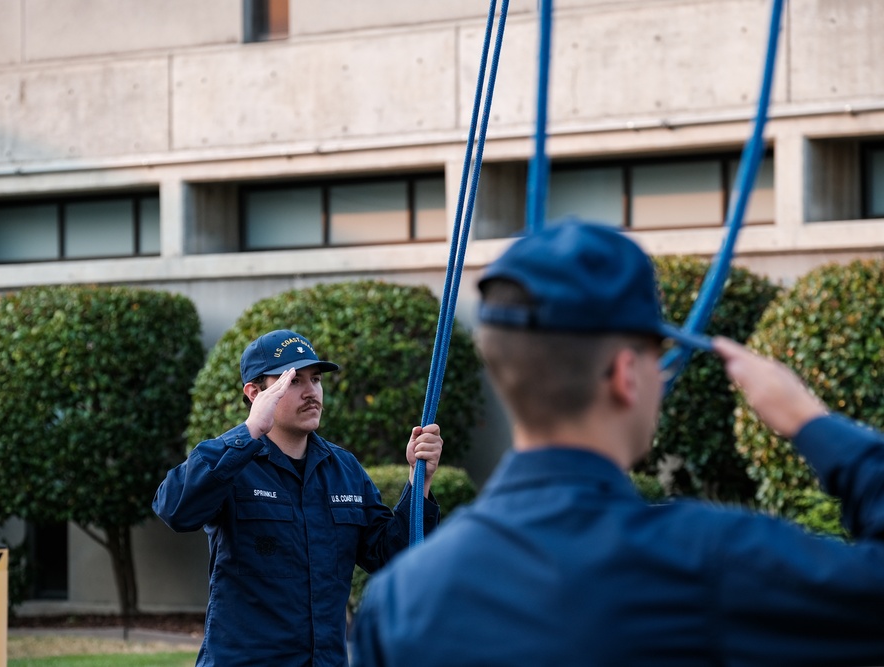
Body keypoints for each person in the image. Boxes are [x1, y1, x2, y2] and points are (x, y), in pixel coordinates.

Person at [350, 220, 884, 666]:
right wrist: (809, 420)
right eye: (660, 360)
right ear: (627, 374)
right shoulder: (704, 561)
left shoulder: (401, 599)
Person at [153, 328, 443, 667]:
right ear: (254, 392)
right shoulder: (233, 464)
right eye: (293, 381)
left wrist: (419, 480)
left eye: (316, 379)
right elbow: (174, 509)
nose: (311, 392)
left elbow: (393, 558)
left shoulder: (344, 469)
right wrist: (249, 431)